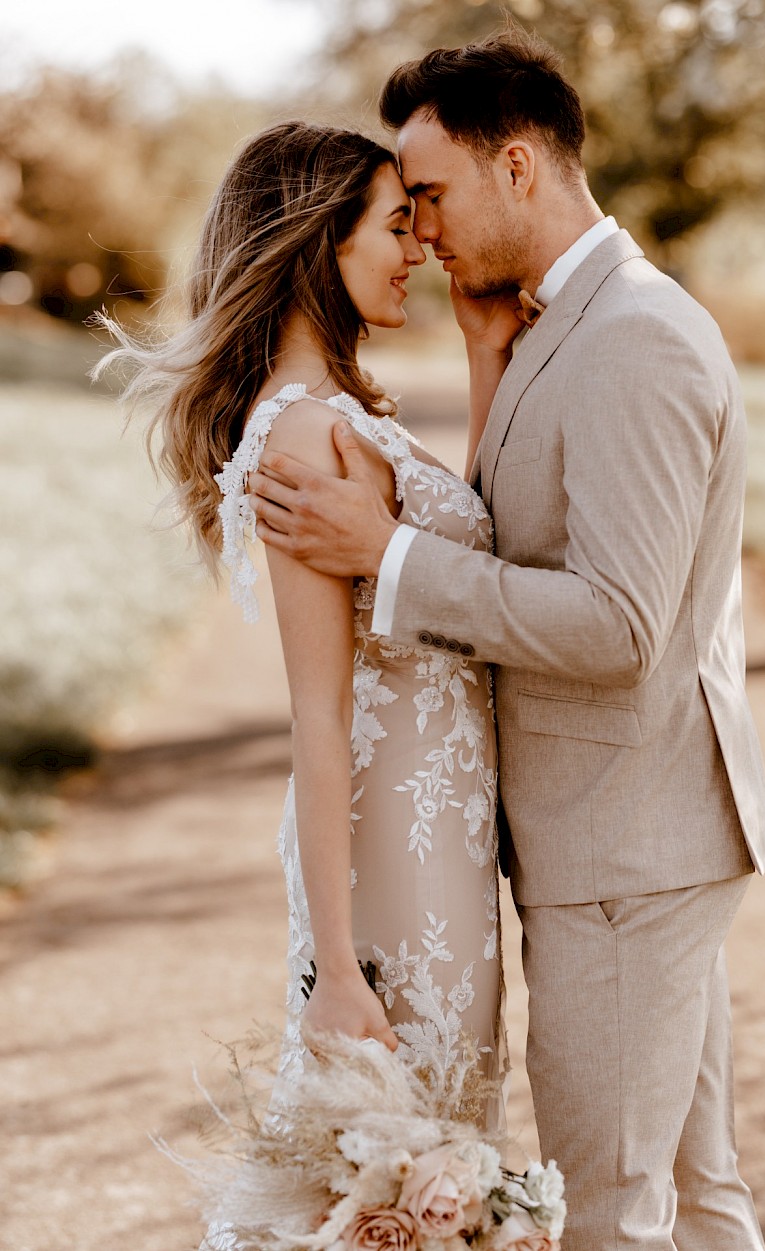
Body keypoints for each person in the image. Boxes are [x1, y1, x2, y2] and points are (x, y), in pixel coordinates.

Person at [247, 30, 765, 1251]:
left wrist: (387, 558)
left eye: (430, 193)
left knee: (610, 1215)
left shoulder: (632, 338)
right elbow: (517, 529)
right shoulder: (562, 326)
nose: (423, 230)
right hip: (634, 838)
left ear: (520, 165)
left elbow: (619, 624)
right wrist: (488, 357)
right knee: (696, 1202)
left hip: (625, 852)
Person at [98, 121, 509, 1114]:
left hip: (440, 833)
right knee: (399, 1147)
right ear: (321, 241)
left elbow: (448, 551)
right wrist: (334, 965)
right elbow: (318, 714)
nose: (418, 248)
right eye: (395, 226)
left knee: (432, 1142)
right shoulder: (303, 437)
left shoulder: (340, 415)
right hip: (391, 854)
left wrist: (483, 352)